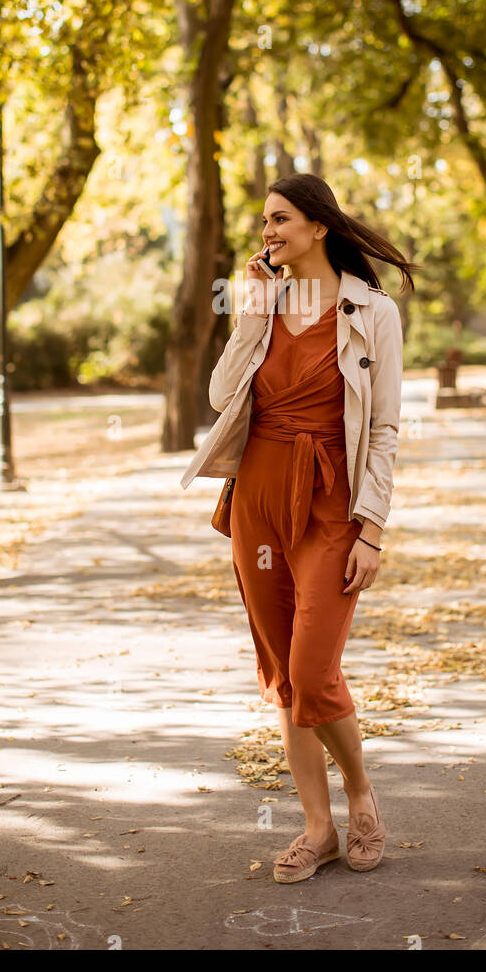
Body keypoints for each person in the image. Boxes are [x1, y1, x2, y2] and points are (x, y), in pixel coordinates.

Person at [179, 173, 417, 882]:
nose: (268, 232)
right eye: (263, 221)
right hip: (258, 494)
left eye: (280, 219)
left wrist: (372, 529)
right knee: (283, 673)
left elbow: (383, 429)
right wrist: (252, 314)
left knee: (314, 670)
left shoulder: (372, 312)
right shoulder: (265, 302)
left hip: (332, 503)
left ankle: (361, 798)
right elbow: (222, 396)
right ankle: (317, 828)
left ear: (318, 226)